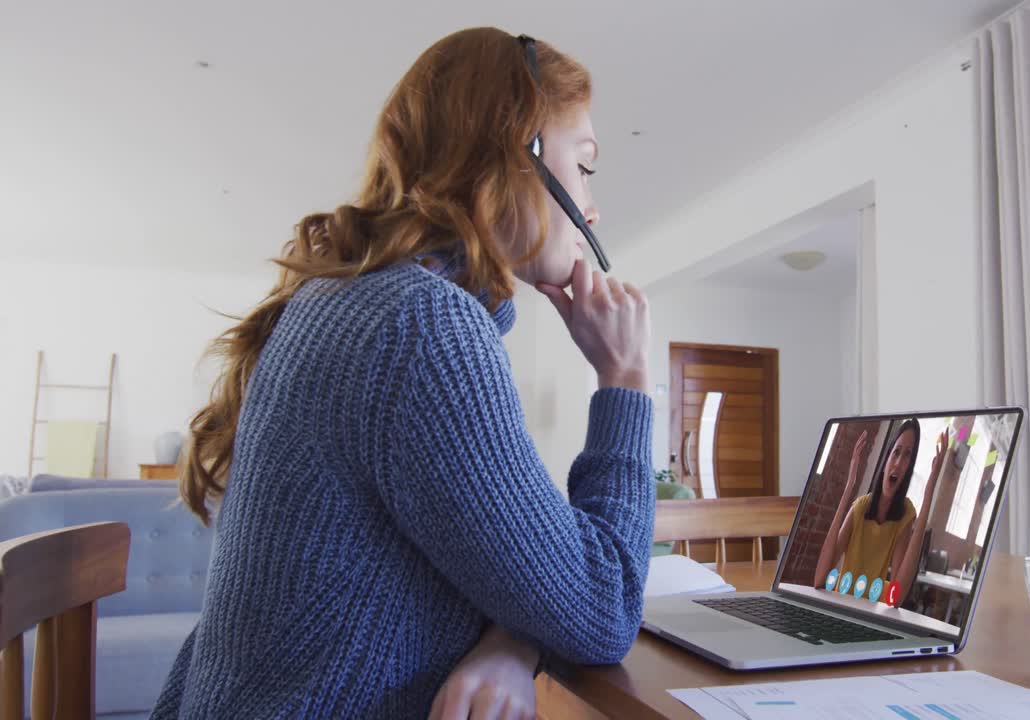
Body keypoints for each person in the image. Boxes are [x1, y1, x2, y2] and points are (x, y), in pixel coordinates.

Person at [152, 28, 654, 720]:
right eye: (586, 164)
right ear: (519, 154)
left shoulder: (359, 303)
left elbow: (516, 561)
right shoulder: (423, 330)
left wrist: (511, 640)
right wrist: (624, 380)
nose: (592, 206)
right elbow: (603, 608)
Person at [812, 420, 948, 601]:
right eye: (896, 452)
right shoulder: (860, 508)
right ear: (885, 461)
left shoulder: (905, 515)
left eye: (907, 455)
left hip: (871, 614)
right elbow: (819, 579)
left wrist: (929, 491)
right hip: (841, 605)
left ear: (909, 469)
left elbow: (896, 599)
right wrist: (849, 488)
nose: (898, 463)